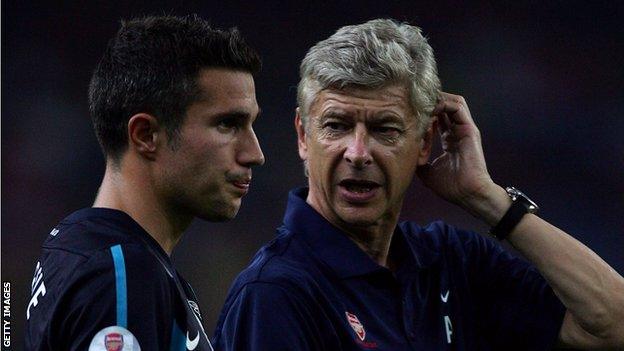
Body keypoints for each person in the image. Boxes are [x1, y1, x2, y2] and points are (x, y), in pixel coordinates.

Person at [213, 19, 624, 350]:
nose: (358, 153)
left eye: (384, 129)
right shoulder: (276, 293)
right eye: (336, 126)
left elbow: (611, 324)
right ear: (304, 137)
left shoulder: (451, 262)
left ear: (425, 142)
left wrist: (488, 198)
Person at [25, 15, 264, 350]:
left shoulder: (85, 248)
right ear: (146, 134)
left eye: (251, 124)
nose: (255, 153)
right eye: (228, 124)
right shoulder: (122, 274)